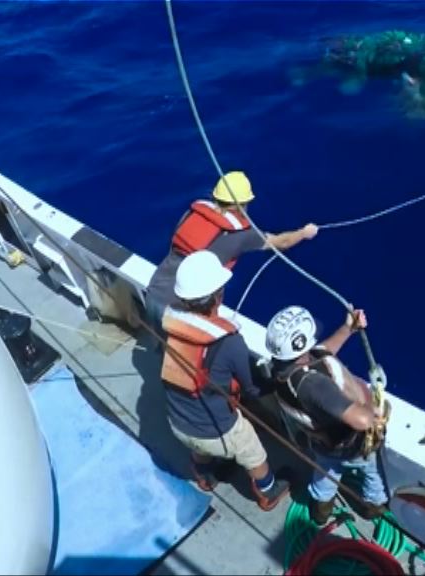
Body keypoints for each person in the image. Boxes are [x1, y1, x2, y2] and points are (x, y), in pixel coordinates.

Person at [160, 250, 288, 510]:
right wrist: (276, 380)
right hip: (216, 432)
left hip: (177, 423)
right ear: (218, 296)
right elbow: (252, 388)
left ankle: (205, 476)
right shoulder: (230, 342)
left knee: (200, 446)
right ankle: (268, 491)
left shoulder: (171, 325)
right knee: (252, 451)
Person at [142, 171, 318, 340]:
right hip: (179, 312)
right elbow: (282, 242)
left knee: (164, 347)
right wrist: (304, 233)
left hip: (153, 294)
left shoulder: (191, 213)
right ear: (242, 204)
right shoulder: (243, 235)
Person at [264, 305, 390, 525]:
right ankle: (373, 507)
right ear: (300, 347)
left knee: (325, 475)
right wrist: (376, 410)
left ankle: (320, 511)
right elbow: (360, 421)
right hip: (350, 445)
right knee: (371, 473)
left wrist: (348, 328)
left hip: (323, 445)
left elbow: (324, 351)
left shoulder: (282, 370)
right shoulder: (314, 385)